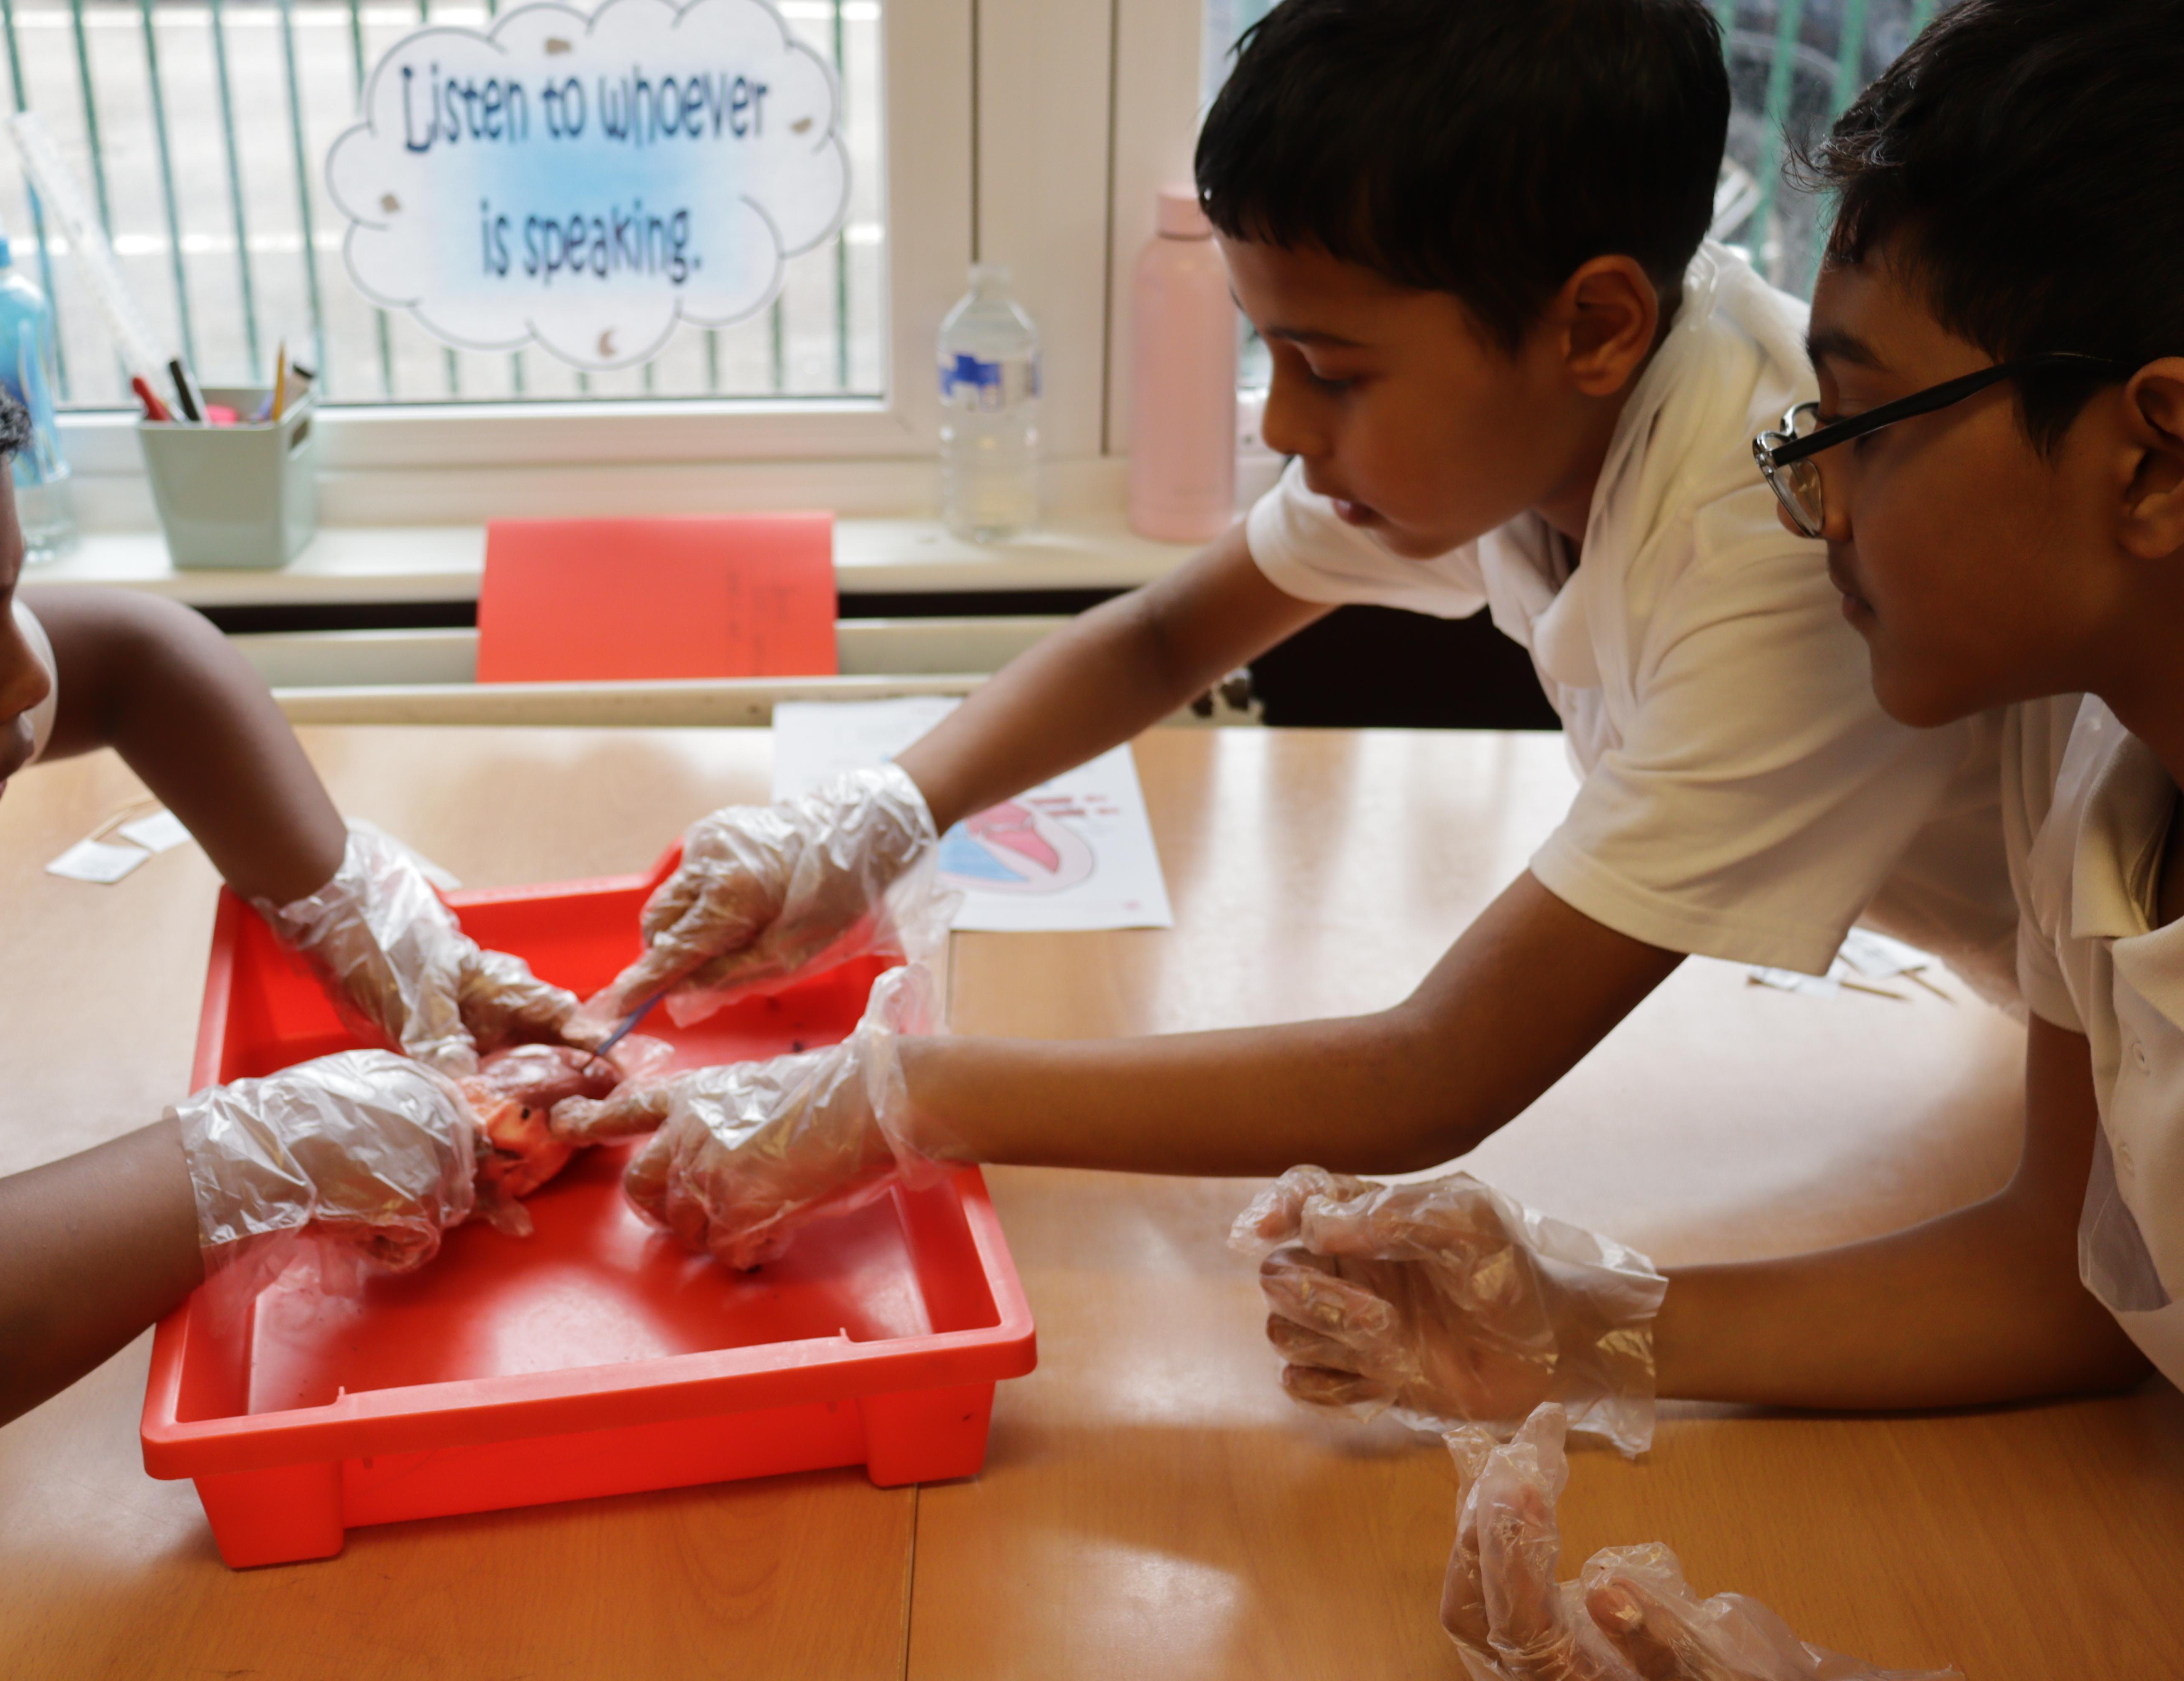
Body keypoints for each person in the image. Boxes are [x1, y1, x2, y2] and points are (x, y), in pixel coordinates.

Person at [551, 0, 2011, 1270]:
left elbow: (1432, 1074)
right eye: (1273, 352)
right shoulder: (1522, 422)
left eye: (1329, 368)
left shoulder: (1773, 550)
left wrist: (899, 1097)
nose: (1285, 427)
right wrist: (875, 816)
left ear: (1593, 326)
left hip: (2059, 991)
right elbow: (1161, 640)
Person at [1239, 1, 2181, 1672]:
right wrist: (1573, 1333)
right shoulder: (2089, 747)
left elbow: (1428, 1067)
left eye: (1864, 426)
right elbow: (2072, 1279)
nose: (1813, 505)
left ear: (2156, 459)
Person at [0, 212, 581, 1484]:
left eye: (10, 603)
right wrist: (273, 1147)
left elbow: (150, 662)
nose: (27, 677)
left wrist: (356, 912)